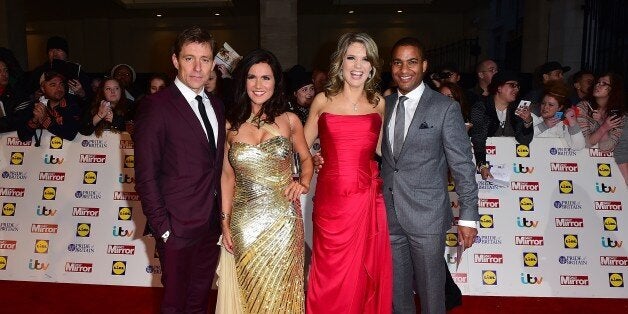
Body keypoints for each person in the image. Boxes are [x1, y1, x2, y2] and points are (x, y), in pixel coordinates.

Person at [382, 37, 478, 314]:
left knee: (431, 293)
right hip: (388, 213)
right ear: (391, 67)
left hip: (427, 215)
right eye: (398, 62)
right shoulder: (383, 105)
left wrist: (469, 216)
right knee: (397, 292)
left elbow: (462, 165)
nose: (404, 69)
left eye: (412, 62)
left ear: (424, 65)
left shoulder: (444, 107)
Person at [133, 26, 224, 314]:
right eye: (189, 58)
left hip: (211, 225)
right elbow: (145, 175)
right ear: (175, 60)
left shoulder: (218, 106)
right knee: (174, 305)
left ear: (213, 63)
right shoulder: (155, 106)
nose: (198, 67)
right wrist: (164, 230)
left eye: (205, 59)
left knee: (198, 303)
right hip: (177, 227)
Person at [218, 48, 313, 313]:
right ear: (243, 81)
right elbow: (227, 177)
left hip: (284, 221)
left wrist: (303, 182)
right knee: (249, 291)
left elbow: (306, 159)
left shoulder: (290, 120)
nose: (259, 85)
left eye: (266, 78)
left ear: (276, 82)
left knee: (283, 290)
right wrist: (225, 223)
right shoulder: (230, 125)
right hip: (244, 222)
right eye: (252, 77)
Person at [304, 32, 392, 313]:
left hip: (367, 197)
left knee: (362, 273)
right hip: (331, 200)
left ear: (373, 65)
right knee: (328, 270)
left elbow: (384, 150)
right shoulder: (322, 100)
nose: (357, 65)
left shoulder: (379, 102)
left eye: (364, 58)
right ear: (340, 63)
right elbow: (301, 148)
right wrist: (313, 159)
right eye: (351, 57)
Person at [470, 71, 533, 180]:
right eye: (512, 85)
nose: (516, 89)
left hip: (510, 167)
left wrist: (528, 121)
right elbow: (478, 138)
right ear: (499, 88)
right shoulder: (481, 107)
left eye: (518, 86)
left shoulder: (516, 110)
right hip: (483, 163)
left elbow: (524, 140)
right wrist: (482, 165)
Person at [15, 71, 81, 143]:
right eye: (53, 85)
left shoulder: (72, 105)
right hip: (41, 153)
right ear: (43, 88)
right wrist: (35, 120)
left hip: (68, 153)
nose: (59, 88)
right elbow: (23, 137)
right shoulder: (35, 106)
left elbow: (70, 134)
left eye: (61, 84)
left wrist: (44, 120)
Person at [576, 72, 624, 152]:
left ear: (614, 89)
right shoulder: (583, 107)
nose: (598, 85)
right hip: (582, 158)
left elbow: (606, 147)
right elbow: (586, 143)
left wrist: (601, 122)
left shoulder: (618, 113)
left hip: (609, 162)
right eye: (598, 82)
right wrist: (604, 127)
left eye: (604, 83)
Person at [531, 81, 586, 150]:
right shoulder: (531, 118)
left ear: (559, 108)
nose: (545, 107)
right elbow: (523, 138)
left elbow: (578, 147)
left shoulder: (562, 125)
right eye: (543, 103)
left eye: (550, 105)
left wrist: (573, 122)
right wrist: (543, 125)